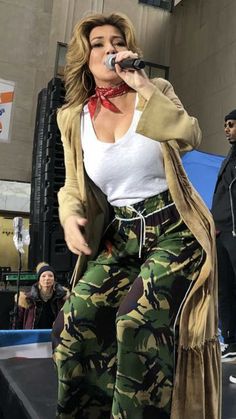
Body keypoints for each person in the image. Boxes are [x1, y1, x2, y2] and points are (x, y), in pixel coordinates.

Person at [52, 12, 221, 419]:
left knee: (134, 320)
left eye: (116, 41)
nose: (109, 48)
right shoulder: (72, 118)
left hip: (174, 227)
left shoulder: (156, 88)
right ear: (84, 56)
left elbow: (189, 135)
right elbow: (74, 185)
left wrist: (142, 86)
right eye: (98, 43)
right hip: (122, 233)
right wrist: (69, 215)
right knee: (73, 324)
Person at [211, 109, 236, 361]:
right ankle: (231, 341)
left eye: (231, 124)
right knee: (225, 288)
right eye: (225, 125)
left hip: (234, 230)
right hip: (221, 231)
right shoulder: (229, 157)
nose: (227, 129)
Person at [14, 264, 69, 329]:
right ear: (39, 280)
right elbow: (17, 321)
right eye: (43, 276)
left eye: (50, 276)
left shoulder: (62, 298)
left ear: (54, 279)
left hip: (55, 335)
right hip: (32, 336)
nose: (47, 278)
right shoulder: (26, 299)